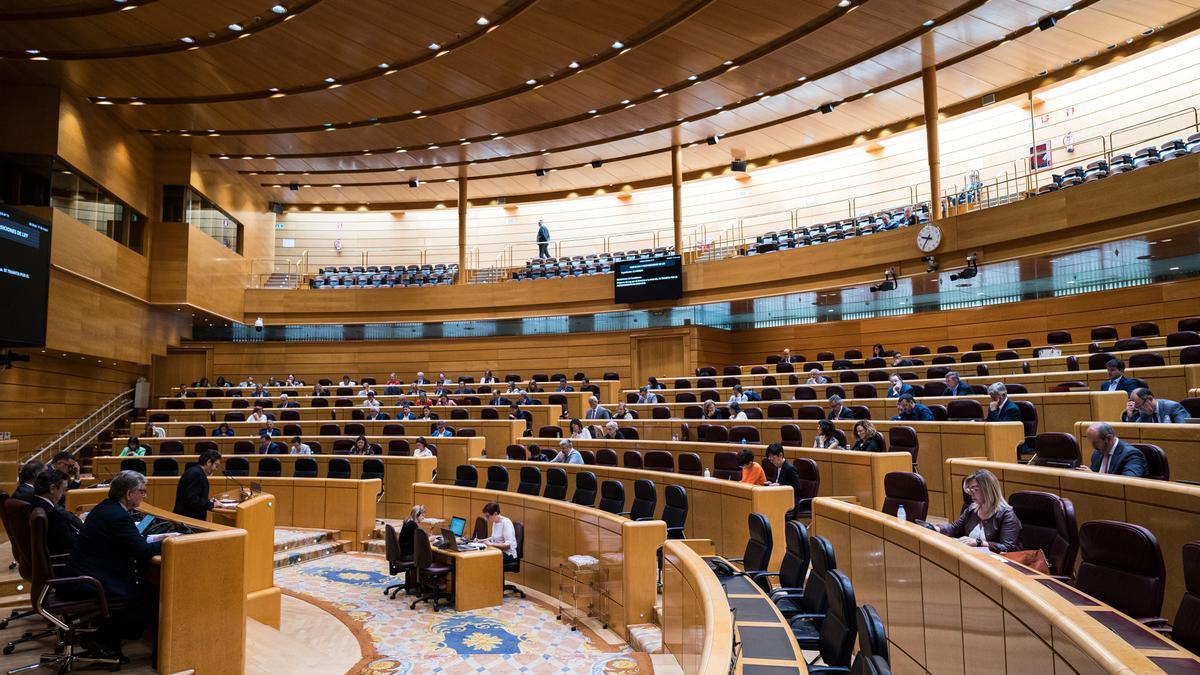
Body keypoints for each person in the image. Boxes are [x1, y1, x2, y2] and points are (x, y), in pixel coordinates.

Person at [60, 470, 178, 661]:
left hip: (89, 571)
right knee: (152, 597)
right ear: (129, 494)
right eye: (142, 491)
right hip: (91, 580)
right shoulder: (118, 517)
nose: (145, 495)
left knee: (145, 587)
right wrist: (169, 542)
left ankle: (106, 638)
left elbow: (130, 543)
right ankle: (103, 638)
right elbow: (143, 551)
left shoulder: (106, 507)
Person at [934, 469, 1021, 552]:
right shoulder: (972, 509)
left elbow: (1008, 547)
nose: (971, 493)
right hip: (973, 557)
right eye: (970, 489)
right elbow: (954, 528)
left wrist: (979, 543)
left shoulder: (1007, 515)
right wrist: (935, 528)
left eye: (975, 490)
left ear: (988, 490)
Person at [28, 469, 80, 555]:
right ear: (52, 488)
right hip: (60, 559)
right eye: (63, 489)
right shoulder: (51, 513)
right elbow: (70, 542)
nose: (64, 494)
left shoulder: (33, 502)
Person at [1078, 422, 1146, 476]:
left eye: (1096, 443)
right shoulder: (1097, 454)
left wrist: (1094, 476)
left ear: (1109, 438)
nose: (1093, 447)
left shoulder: (1131, 455)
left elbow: (1127, 483)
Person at [173, 449, 221, 521]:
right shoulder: (197, 474)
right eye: (216, 465)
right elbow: (192, 499)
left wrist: (208, 501)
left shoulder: (195, 471)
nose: (216, 469)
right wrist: (211, 504)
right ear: (209, 462)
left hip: (187, 519)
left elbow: (194, 496)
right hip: (188, 521)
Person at [764, 444, 802, 516]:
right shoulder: (777, 466)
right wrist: (771, 483)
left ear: (780, 455)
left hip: (790, 500)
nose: (771, 461)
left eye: (773, 458)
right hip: (779, 498)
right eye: (770, 459)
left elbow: (797, 488)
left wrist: (780, 485)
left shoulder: (790, 469)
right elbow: (778, 482)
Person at [1121, 387, 1191, 423]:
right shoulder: (1143, 412)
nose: (1140, 409)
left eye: (1141, 405)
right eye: (1137, 408)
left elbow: (1183, 429)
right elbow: (1136, 432)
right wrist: (1130, 416)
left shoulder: (1173, 407)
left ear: (1150, 398)